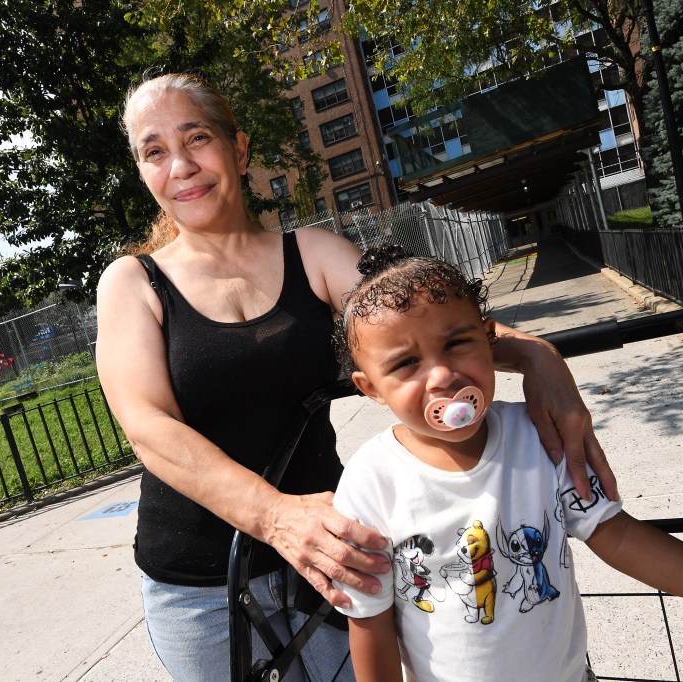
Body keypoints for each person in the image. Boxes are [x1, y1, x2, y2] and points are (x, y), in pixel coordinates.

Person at [95, 72, 618, 680]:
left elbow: (418, 316)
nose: (180, 166)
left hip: (339, 554)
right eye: (154, 152)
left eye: (197, 139)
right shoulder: (133, 282)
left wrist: (536, 355)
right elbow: (148, 425)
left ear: (238, 149)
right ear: (143, 172)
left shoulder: (311, 254)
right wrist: (275, 516)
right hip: (200, 586)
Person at [331, 244, 683, 682]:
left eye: (456, 343)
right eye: (405, 363)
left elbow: (618, 537)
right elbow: (369, 620)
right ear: (369, 388)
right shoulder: (370, 482)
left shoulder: (538, 436)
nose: (441, 375)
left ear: (490, 338)